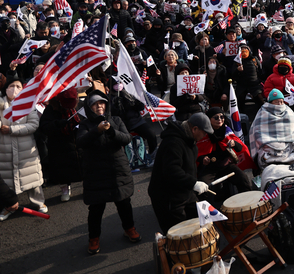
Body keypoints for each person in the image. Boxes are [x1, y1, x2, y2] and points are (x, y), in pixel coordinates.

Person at [76, 91, 140, 255]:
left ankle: (129, 228)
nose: (99, 106)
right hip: (96, 172)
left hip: (117, 169)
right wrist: (96, 130)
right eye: (95, 104)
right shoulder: (85, 124)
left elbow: (127, 138)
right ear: (89, 107)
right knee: (96, 208)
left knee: (124, 203)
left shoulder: (116, 120)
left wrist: (112, 131)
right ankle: (94, 238)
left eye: (102, 103)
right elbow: (81, 142)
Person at [149, 113, 213, 234]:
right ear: (194, 129)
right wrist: (193, 183)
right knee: (179, 235)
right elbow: (171, 171)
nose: (206, 135)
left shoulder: (190, 141)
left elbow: (188, 167)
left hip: (184, 192)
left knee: (203, 223)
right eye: (204, 132)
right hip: (167, 197)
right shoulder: (173, 143)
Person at [0, 79, 47, 220]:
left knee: (32, 177)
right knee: (6, 180)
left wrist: (11, 129)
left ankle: (39, 202)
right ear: (5, 88)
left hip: (26, 150)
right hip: (4, 150)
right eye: (11, 86)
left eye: (18, 86)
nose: (14, 89)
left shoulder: (28, 105)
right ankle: (8, 206)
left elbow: (33, 125)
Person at [195, 108, 254, 200]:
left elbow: (240, 148)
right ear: (209, 119)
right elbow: (197, 153)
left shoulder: (227, 130)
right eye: (216, 117)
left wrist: (234, 143)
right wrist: (202, 159)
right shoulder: (203, 133)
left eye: (222, 117)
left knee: (243, 179)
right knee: (203, 187)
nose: (219, 119)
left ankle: (246, 204)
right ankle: (206, 210)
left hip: (226, 165)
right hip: (210, 168)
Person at [38, 88, 83, 202]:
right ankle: (64, 189)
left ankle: (87, 187)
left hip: (77, 141)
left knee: (83, 166)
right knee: (62, 169)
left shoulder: (79, 105)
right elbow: (44, 127)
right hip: (59, 144)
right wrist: (57, 124)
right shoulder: (52, 108)